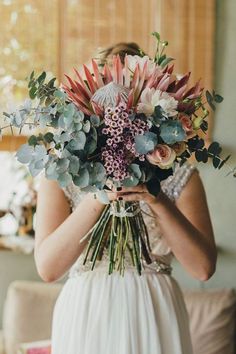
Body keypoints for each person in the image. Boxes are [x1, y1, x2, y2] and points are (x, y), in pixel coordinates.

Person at [34, 43, 217, 354]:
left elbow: (202, 269)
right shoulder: (62, 173)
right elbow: (48, 268)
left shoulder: (178, 173)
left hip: (155, 310)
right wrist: (98, 197)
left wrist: (155, 198)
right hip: (86, 312)